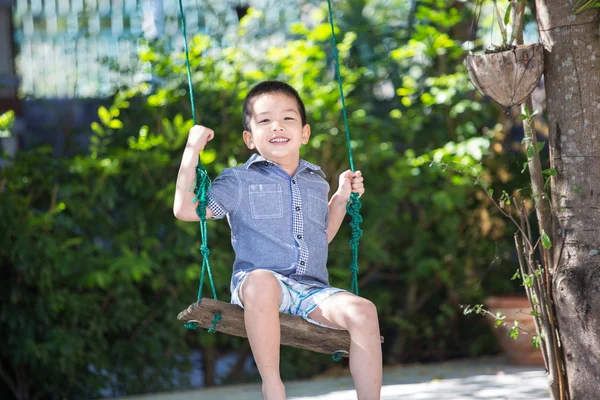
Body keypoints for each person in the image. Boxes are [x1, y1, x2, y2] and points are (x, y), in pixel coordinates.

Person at [173, 80, 382, 400]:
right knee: (262, 282)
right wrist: (192, 152)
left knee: (364, 311)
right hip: (257, 287)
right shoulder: (238, 180)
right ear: (249, 138)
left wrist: (340, 199)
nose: (277, 126)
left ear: (305, 132)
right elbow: (187, 209)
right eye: (265, 120)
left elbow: (320, 237)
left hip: (310, 290)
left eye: (288, 118)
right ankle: (273, 385)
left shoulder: (316, 181)